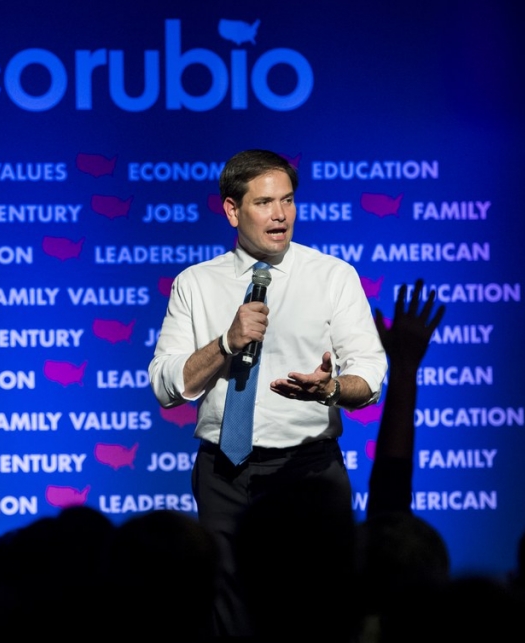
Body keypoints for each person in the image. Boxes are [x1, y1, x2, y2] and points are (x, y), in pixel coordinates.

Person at [148, 149, 387, 638]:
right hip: (224, 474)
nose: (281, 215)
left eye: (288, 200)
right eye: (264, 203)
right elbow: (167, 385)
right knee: (231, 618)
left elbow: (369, 374)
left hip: (309, 471)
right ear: (233, 210)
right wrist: (225, 344)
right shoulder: (195, 284)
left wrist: (333, 387)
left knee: (319, 615)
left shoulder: (333, 277)